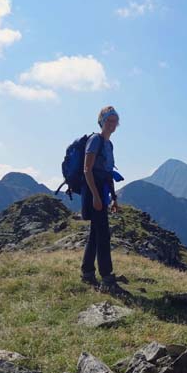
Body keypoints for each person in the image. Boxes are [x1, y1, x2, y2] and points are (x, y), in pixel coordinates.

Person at [81, 106, 125, 294]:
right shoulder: (95, 140)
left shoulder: (108, 144)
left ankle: (87, 273)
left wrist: (113, 198)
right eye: (109, 120)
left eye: (115, 121)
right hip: (94, 191)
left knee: (95, 234)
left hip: (102, 191)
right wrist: (96, 197)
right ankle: (107, 279)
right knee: (103, 235)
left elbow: (108, 173)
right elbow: (87, 170)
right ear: (102, 121)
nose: (112, 124)